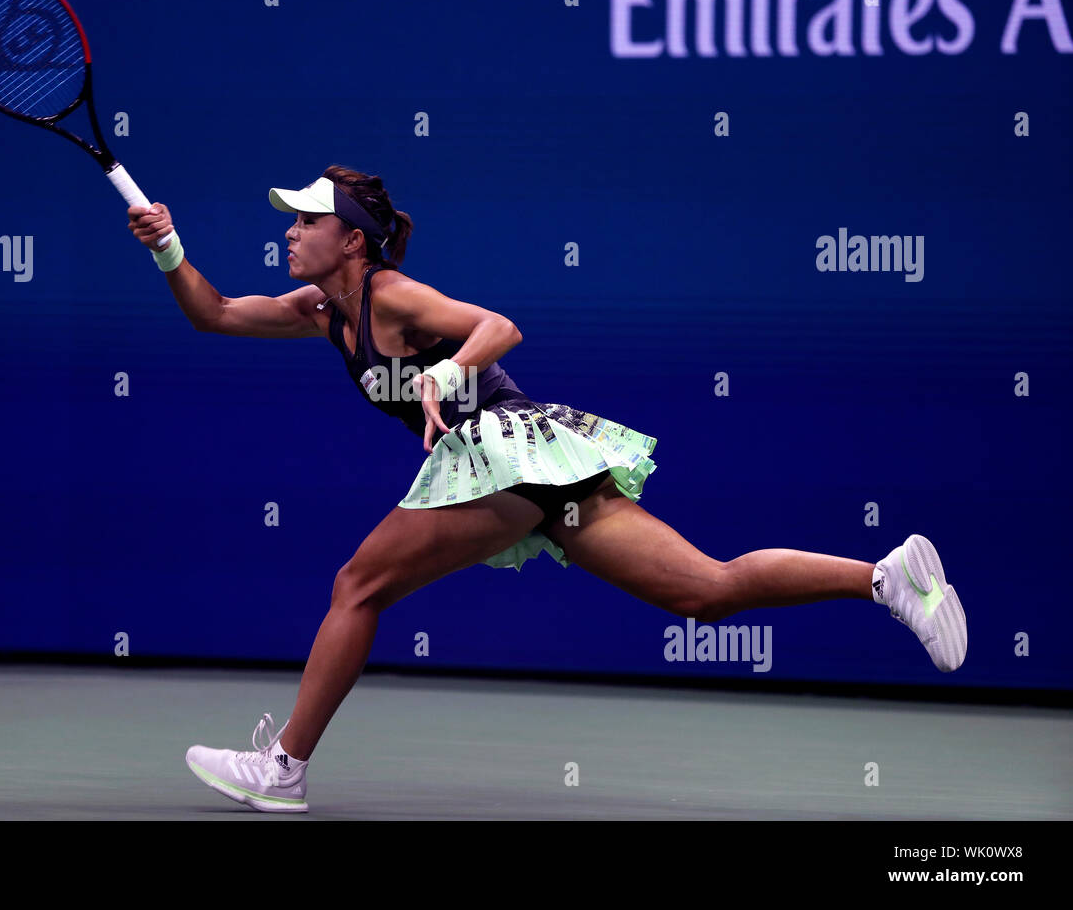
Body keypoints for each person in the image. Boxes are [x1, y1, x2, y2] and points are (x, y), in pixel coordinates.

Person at [126, 165, 967, 814]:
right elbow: (217, 313)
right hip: (542, 472)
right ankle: (886, 578)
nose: (292, 231)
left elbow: (500, 327)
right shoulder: (321, 309)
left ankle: (284, 769)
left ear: (352, 240)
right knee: (704, 592)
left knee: (358, 585)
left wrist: (450, 369)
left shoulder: (394, 295)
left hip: (507, 451)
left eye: (307, 220)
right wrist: (168, 246)